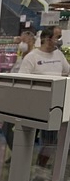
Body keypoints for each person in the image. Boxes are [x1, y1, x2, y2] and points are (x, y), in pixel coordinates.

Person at [19, 26, 70, 170]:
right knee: (26, 140)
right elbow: (22, 81)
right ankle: (22, 169)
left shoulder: (58, 55)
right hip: (34, 106)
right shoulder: (32, 57)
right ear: (48, 39)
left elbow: (68, 71)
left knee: (49, 142)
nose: (60, 40)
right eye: (57, 37)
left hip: (54, 106)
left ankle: (39, 168)